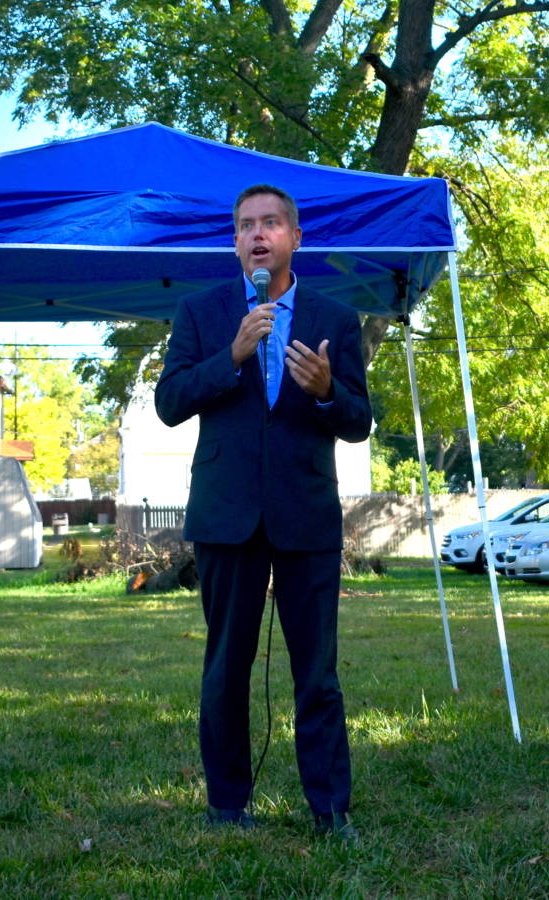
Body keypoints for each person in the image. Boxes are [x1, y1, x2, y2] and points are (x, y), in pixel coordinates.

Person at [155, 184, 372, 841]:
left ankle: (330, 811)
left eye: (270, 223)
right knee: (225, 669)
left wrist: (328, 391)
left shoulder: (335, 319)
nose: (257, 234)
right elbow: (169, 401)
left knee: (318, 673)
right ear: (235, 240)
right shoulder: (202, 312)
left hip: (305, 515)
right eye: (245, 225)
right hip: (226, 517)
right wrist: (232, 357)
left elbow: (360, 422)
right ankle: (227, 804)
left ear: (294, 238)